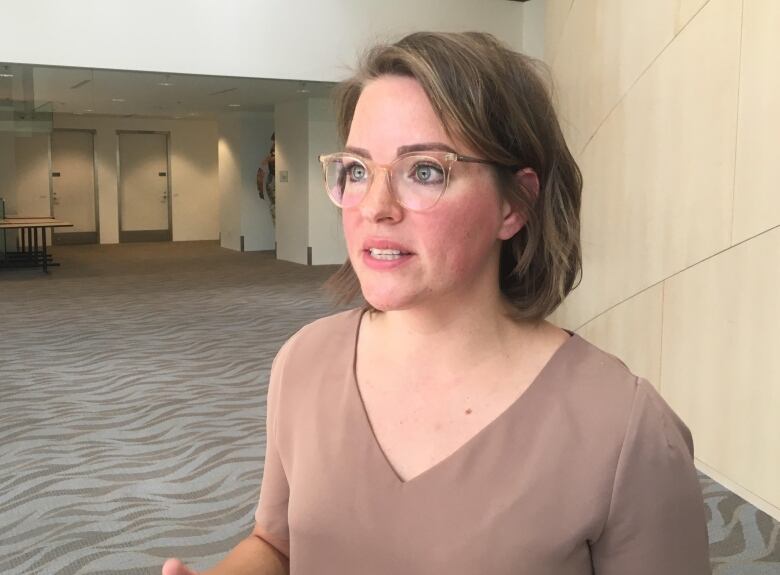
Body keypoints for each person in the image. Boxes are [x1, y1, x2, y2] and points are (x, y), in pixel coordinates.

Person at [163, 31, 711, 575]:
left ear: (514, 203)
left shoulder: (623, 427)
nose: (375, 207)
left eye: (424, 170)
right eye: (356, 170)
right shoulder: (304, 362)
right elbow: (278, 545)